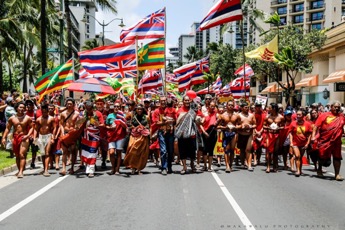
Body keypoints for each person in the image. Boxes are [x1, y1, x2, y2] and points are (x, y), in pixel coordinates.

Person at [312, 101, 345, 181]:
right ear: (331, 107)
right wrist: (313, 136)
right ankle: (319, 169)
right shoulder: (324, 115)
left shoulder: (341, 116)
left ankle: (337, 174)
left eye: (338, 107)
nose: (336, 108)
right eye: (335, 107)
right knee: (322, 156)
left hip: (336, 141)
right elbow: (316, 126)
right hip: (325, 140)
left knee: (337, 157)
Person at [1, 102, 33, 178]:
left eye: (23, 107)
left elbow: (32, 127)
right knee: (17, 155)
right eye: (20, 107)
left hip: (24, 137)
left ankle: (21, 171)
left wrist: (28, 135)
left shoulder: (27, 118)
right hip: (15, 137)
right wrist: (3, 138)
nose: (22, 109)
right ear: (16, 108)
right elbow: (7, 128)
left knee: (22, 154)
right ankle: (20, 170)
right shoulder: (12, 118)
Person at [124, 104, 150, 175]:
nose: (139, 110)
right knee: (132, 150)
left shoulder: (146, 117)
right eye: (138, 109)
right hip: (134, 136)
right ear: (136, 109)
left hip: (143, 137)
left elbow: (149, 125)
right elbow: (126, 122)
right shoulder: (131, 115)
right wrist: (132, 127)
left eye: (141, 109)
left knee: (141, 153)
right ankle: (132, 167)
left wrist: (143, 128)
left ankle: (138, 168)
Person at [80, 101, 104, 178]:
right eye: (87, 108)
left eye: (90, 108)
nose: (88, 110)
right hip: (85, 136)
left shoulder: (98, 114)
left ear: (92, 108)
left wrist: (95, 122)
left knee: (92, 152)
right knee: (86, 152)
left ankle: (91, 170)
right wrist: (81, 121)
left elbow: (102, 124)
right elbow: (78, 125)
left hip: (95, 136)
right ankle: (88, 168)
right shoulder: (83, 114)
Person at [175, 96, 198, 174]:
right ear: (183, 101)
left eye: (188, 100)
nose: (187, 102)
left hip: (191, 134)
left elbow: (198, 118)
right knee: (182, 151)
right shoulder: (179, 111)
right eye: (185, 100)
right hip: (182, 134)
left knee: (192, 150)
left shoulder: (193, 110)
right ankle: (184, 167)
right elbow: (177, 122)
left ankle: (192, 164)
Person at [217, 100, 240, 173]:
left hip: (234, 133)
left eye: (232, 105)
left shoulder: (237, 115)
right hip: (226, 133)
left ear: (234, 106)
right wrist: (224, 127)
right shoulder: (223, 115)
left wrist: (235, 127)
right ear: (226, 106)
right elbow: (218, 125)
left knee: (232, 150)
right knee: (226, 150)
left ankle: (230, 164)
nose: (230, 106)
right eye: (229, 105)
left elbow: (240, 125)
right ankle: (227, 165)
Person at [59, 98, 80, 176]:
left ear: (73, 105)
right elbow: (61, 124)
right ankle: (64, 168)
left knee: (73, 151)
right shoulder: (63, 114)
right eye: (68, 104)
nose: (69, 105)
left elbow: (79, 124)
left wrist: (75, 129)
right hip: (65, 133)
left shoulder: (77, 114)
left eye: (71, 104)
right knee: (64, 151)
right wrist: (62, 132)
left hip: (73, 134)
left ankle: (72, 167)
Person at [289, 110, 312, 177]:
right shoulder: (293, 123)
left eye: (299, 115)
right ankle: (298, 171)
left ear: (303, 116)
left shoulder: (307, 124)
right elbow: (290, 133)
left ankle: (300, 169)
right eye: (297, 114)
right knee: (297, 156)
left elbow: (310, 134)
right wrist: (291, 142)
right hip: (295, 143)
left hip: (303, 143)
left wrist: (307, 143)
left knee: (300, 157)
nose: (298, 116)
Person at [106, 101, 127, 175]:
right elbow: (107, 126)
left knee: (118, 153)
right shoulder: (110, 116)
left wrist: (121, 122)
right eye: (115, 106)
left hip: (120, 136)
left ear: (120, 108)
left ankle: (117, 169)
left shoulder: (122, 115)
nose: (116, 108)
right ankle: (113, 167)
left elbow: (126, 126)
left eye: (118, 106)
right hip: (111, 136)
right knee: (111, 152)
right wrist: (110, 127)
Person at [35, 104, 55, 177]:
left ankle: (46, 170)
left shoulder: (51, 119)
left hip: (48, 136)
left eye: (46, 112)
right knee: (43, 154)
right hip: (41, 137)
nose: (44, 113)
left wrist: (53, 137)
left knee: (47, 153)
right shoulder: (38, 119)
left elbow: (54, 128)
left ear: (47, 112)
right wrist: (35, 137)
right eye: (43, 112)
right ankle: (44, 168)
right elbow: (36, 129)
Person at [264, 103, 285, 173]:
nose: (269, 109)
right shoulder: (267, 117)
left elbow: (283, 126)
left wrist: (278, 128)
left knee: (275, 152)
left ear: (274, 109)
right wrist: (268, 127)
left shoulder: (281, 117)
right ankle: (268, 166)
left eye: (270, 108)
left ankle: (275, 166)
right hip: (269, 134)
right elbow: (264, 126)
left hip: (276, 135)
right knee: (268, 151)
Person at [237, 102, 256, 171]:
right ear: (242, 108)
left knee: (248, 150)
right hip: (241, 134)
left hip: (249, 135)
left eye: (248, 107)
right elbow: (236, 125)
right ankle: (243, 163)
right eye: (245, 107)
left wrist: (250, 126)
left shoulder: (251, 115)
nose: (247, 108)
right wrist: (241, 127)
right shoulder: (238, 115)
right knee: (242, 150)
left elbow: (255, 124)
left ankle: (249, 165)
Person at [201, 101, 217, 172]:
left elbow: (219, 122)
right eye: (211, 105)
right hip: (205, 133)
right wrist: (204, 132)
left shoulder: (216, 114)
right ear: (208, 106)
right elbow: (200, 124)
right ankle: (205, 165)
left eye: (214, 106)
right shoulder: (204, 114)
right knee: (204, 150)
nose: (212, 107)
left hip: (213, 134)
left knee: (211, 150)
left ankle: (209, 166)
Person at [25, 99, 41, 169]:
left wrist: (35, 135)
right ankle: (24, 163)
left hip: (34, 135)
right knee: (25, 150)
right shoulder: (24, 113)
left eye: (30, 104)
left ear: (32, 106)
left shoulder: (35, 113)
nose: (28, 106)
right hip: (26, 135)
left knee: (34, 150)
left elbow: (38, 124)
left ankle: (33, 162)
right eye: (27, 105)